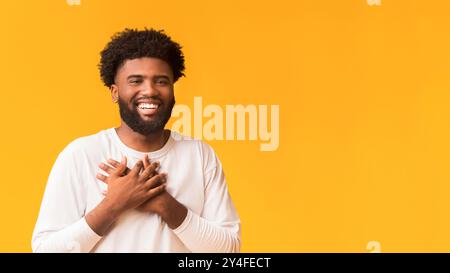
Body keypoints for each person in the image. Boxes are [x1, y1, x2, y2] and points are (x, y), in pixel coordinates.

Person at [32, 28, 241, 252]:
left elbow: (228, 250)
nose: (149, 91)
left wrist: (163, 203)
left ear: (172, 90)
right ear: (114, 92)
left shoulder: (199, 155)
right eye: (135, 81)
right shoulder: (80, 155)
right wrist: (113, 205)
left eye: (161, 81)